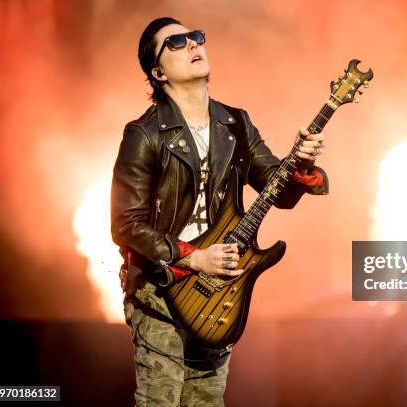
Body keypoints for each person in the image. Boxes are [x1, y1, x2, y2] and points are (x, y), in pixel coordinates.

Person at [110, 17, 329, 406]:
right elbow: (126, 224)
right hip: (160, 289)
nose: (193, 45)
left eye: (196, 37)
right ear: (157, 71)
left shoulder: (236, 124)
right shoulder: (143, 134)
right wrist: (195, 259)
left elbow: (277, 189)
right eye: (176, 43)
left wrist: (301, 166)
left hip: (217, 292)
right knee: (161, 400)